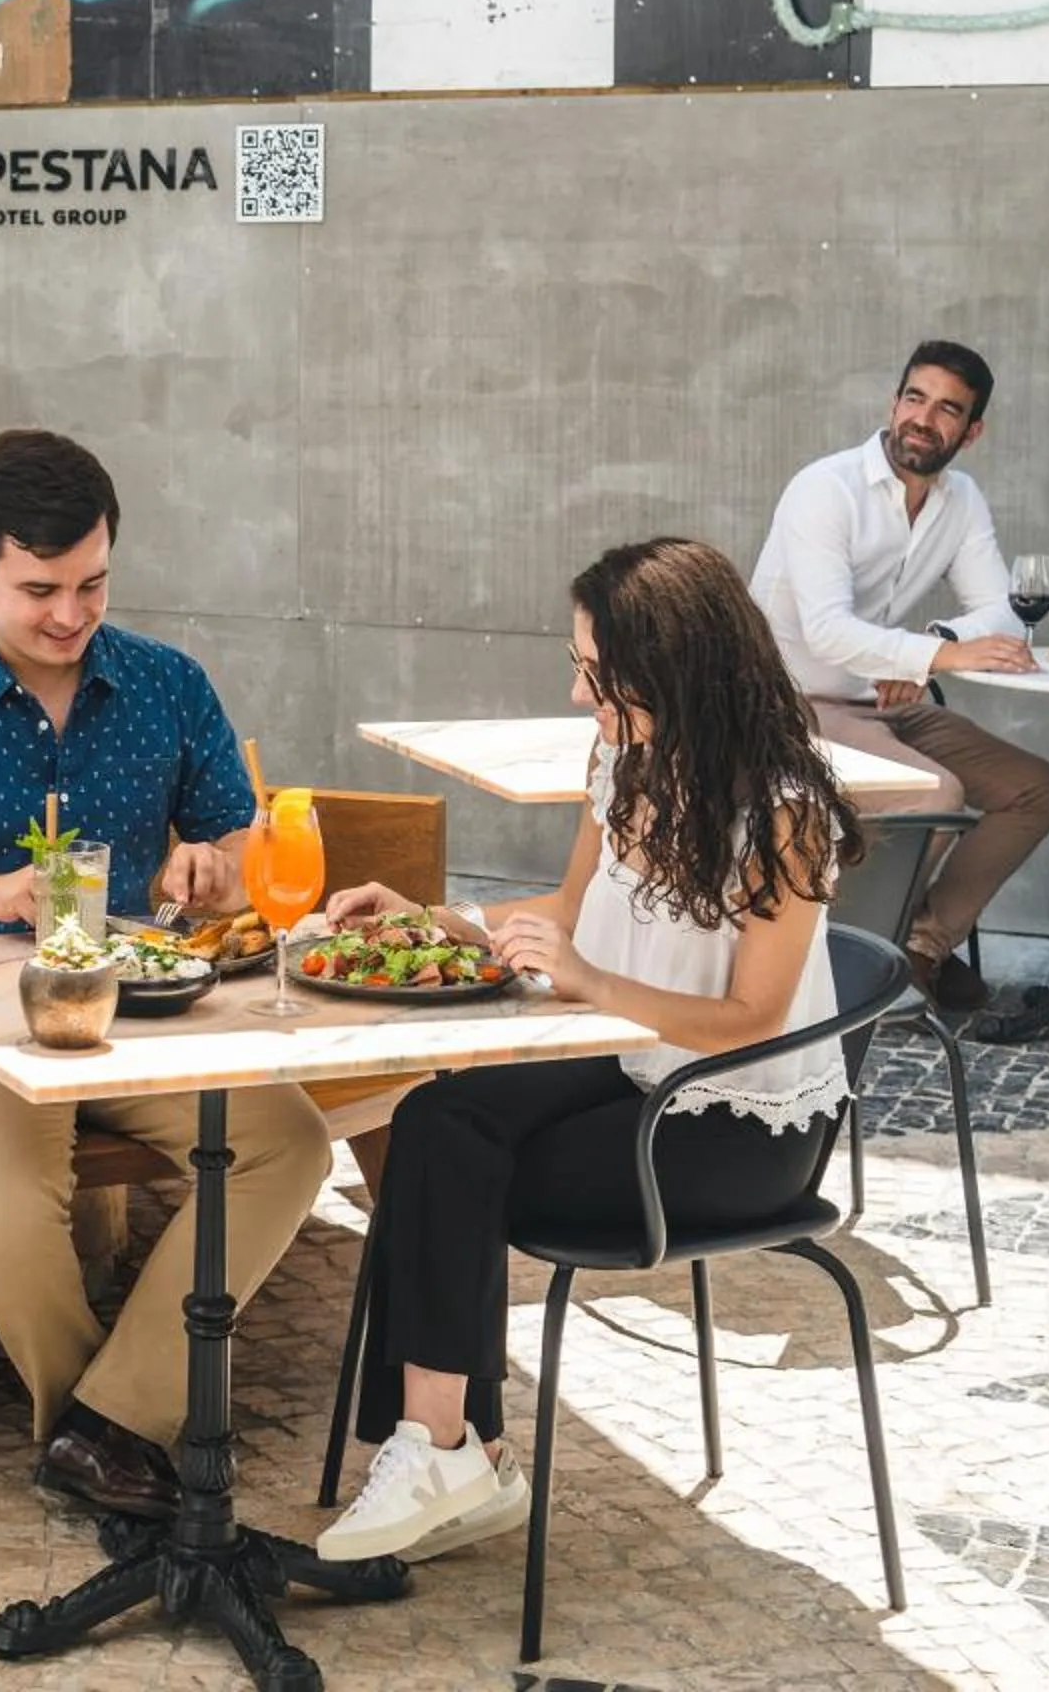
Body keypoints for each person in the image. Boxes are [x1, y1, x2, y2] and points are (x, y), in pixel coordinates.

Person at [0, 428, 331, 1519]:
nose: (70, 614)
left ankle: (107, 1427)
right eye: (39, 588)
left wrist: (211, 866)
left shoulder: (167, 683)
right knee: (1, 1207)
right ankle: (101, 1424)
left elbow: (239, 852)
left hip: (141, 1008)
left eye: (92, 583)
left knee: (290, 1140)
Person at [314, 537, 863, 1563]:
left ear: (678, 669)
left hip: (739, 1126)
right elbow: (565, 914)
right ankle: (451, 1442)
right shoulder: (625, 759)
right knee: (433, 1113)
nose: (579, 692)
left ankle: (447, 1450)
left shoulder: (783, 809)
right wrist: (435, 918)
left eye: (598, 674)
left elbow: (753, 1015)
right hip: (640, 1065)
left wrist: (591, 981)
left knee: (462, 1163)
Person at [747, 340, 1049, 1007]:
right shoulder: (825, 490)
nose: (925, 418)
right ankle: (853, 969)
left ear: (971, 431)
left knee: (1033, 788)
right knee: (934, 792)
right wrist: (929, 658)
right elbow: (827, 630)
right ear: (893, 404)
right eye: (915, 398)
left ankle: (918, 949)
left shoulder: (961, 500)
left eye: (948, 409)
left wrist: (932, 644)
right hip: (788, 705)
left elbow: (1003, 613)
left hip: (880, 701)